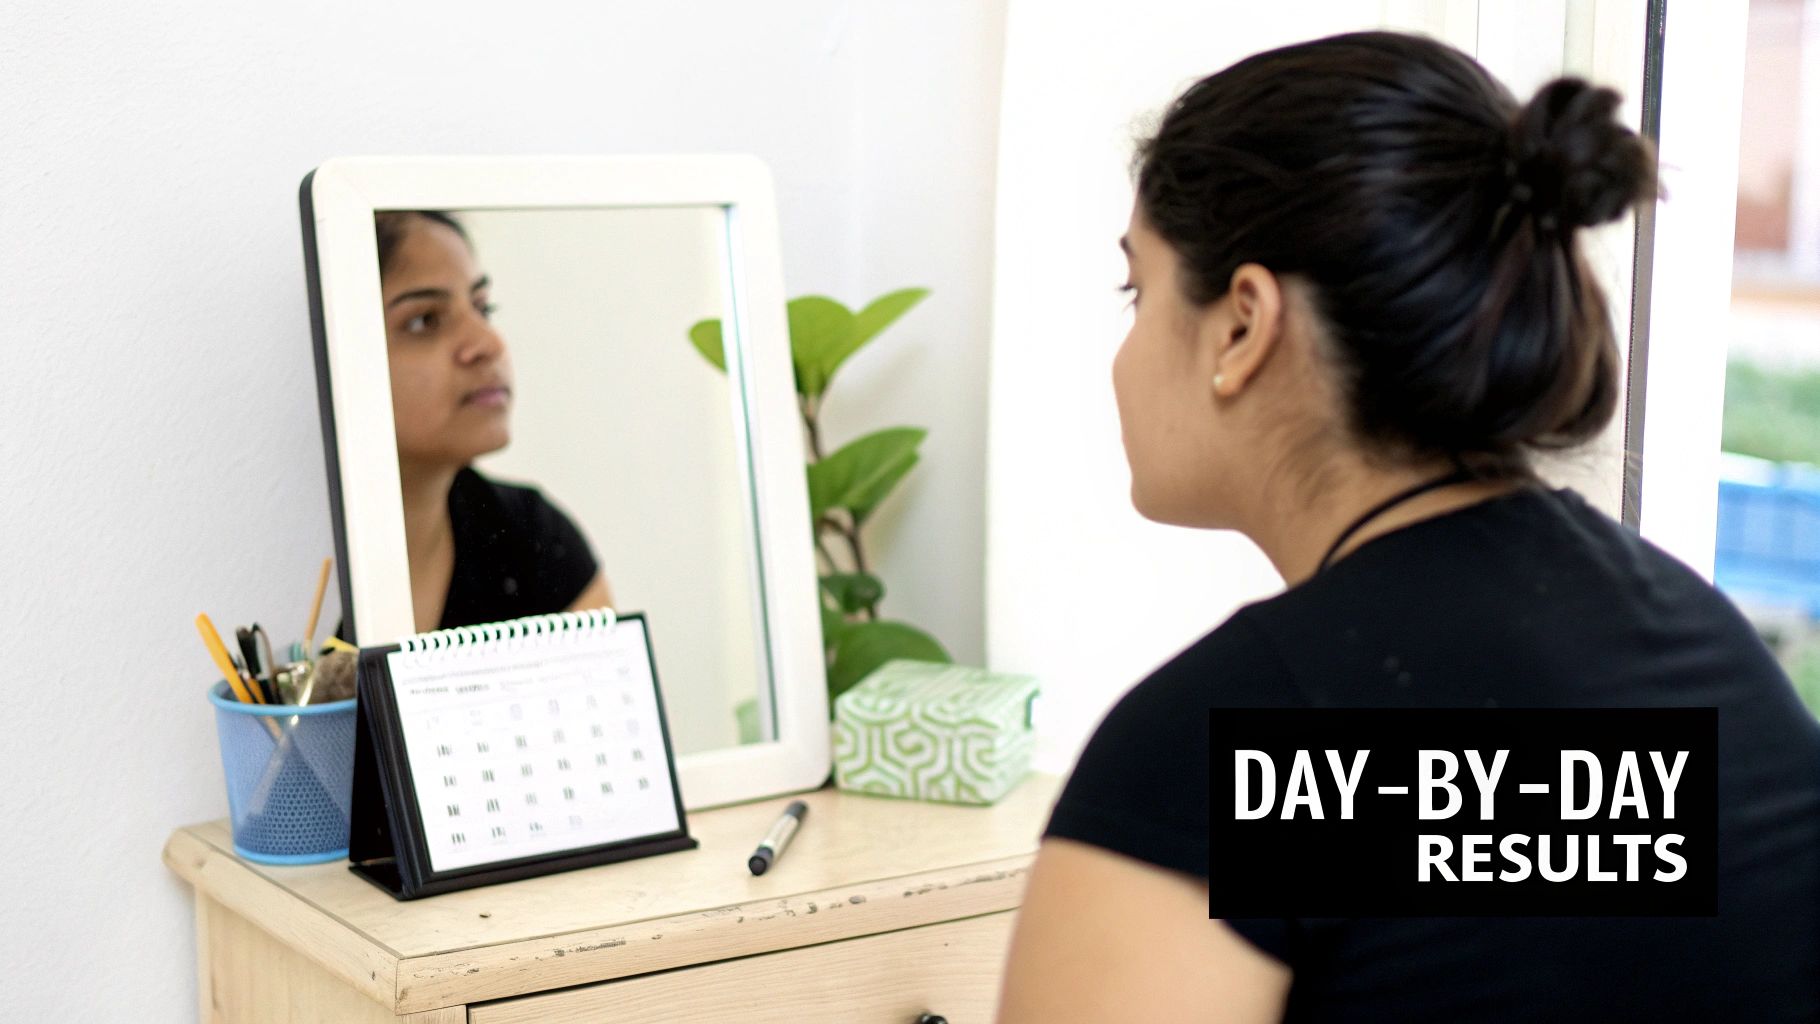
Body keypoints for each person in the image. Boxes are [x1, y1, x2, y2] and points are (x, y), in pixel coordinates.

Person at [997, 31, 1820, 1022]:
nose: (1125, 351)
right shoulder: (1704, 657)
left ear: (1242, 324)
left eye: (1139, 290)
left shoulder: (1216, 757)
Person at [375, 210, 614, 633]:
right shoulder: (292, 575)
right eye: (424, 320)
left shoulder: (532, 536)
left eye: (484, 308)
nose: (489, 343)